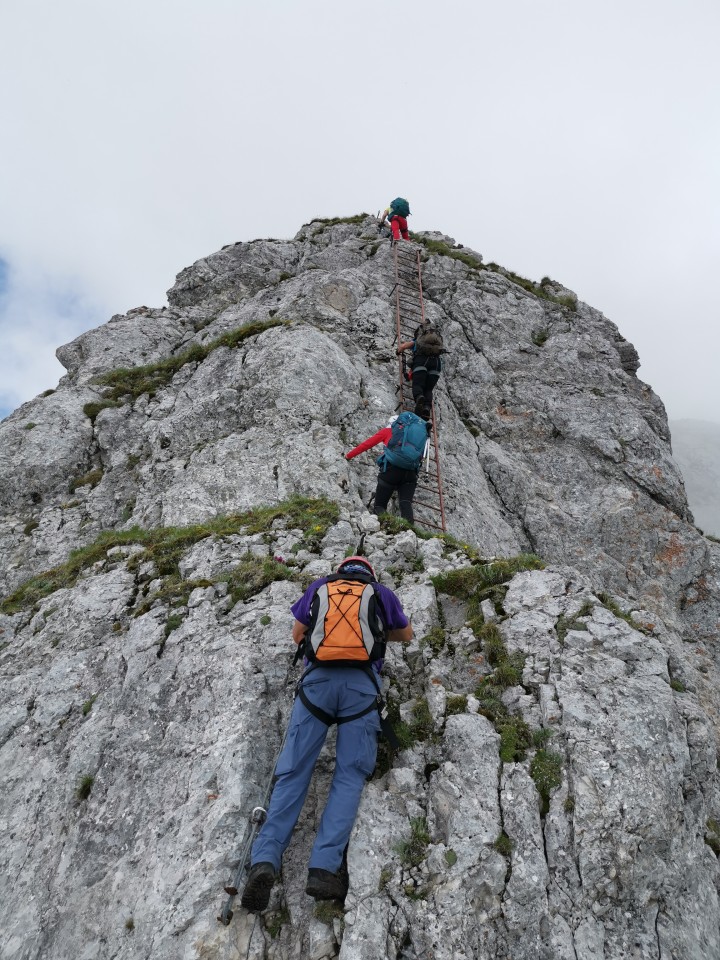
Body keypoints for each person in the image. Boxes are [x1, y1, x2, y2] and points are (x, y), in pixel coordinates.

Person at [240, 556, 413, 912]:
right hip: (361, 690)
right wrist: (378, 631)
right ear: (370, 573)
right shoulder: (381, 593)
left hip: (316, 686)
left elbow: (297, 635)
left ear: (341, 571)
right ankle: (322, 869)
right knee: (348, 777)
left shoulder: (319, 588)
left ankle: (265, 860)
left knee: (293, 773)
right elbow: (406, 635)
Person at [345, 413, 430, 525]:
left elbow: (366, 445)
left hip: (391, 471)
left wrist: (348, 456)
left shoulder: (388, 431)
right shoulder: (415, 437)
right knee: (405, 503)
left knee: (380, 505)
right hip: (410, 474)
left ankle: (383, 529)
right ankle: (410, 532)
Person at [397, 323, 445, 416]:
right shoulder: (436, 345)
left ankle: (419, 397)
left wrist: (397, 351)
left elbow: (403, 347)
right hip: (436, 364)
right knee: (428, 389)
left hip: (422, 361)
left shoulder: (418, 342)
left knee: (418, 384)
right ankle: (427, 408)